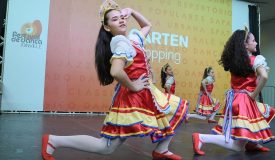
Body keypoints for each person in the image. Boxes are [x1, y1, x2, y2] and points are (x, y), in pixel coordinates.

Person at [41, 1, 188, 160]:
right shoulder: (121, 43)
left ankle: (162, 149)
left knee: (179, 109)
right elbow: (116, 71)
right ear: (107, 27)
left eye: (122, 17)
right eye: (115, 19)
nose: (121, 20)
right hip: (132, 98)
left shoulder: (133, 38)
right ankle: (53, 141)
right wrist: (134, 86)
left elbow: (147, 26)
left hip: (147, 93)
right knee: (105, 147)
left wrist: (131, 11)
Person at [192, 28, 275, 156]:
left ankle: (251, 143)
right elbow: (264, 77)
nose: (256, 43)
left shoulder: (235, 62)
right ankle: (202, 138)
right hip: (244, 101)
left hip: (235, 99)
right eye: (253, 41)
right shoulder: (255, 60)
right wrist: (254, 95)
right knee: (237, 147)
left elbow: (252, 80)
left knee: (266, 112)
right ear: (245, 45)